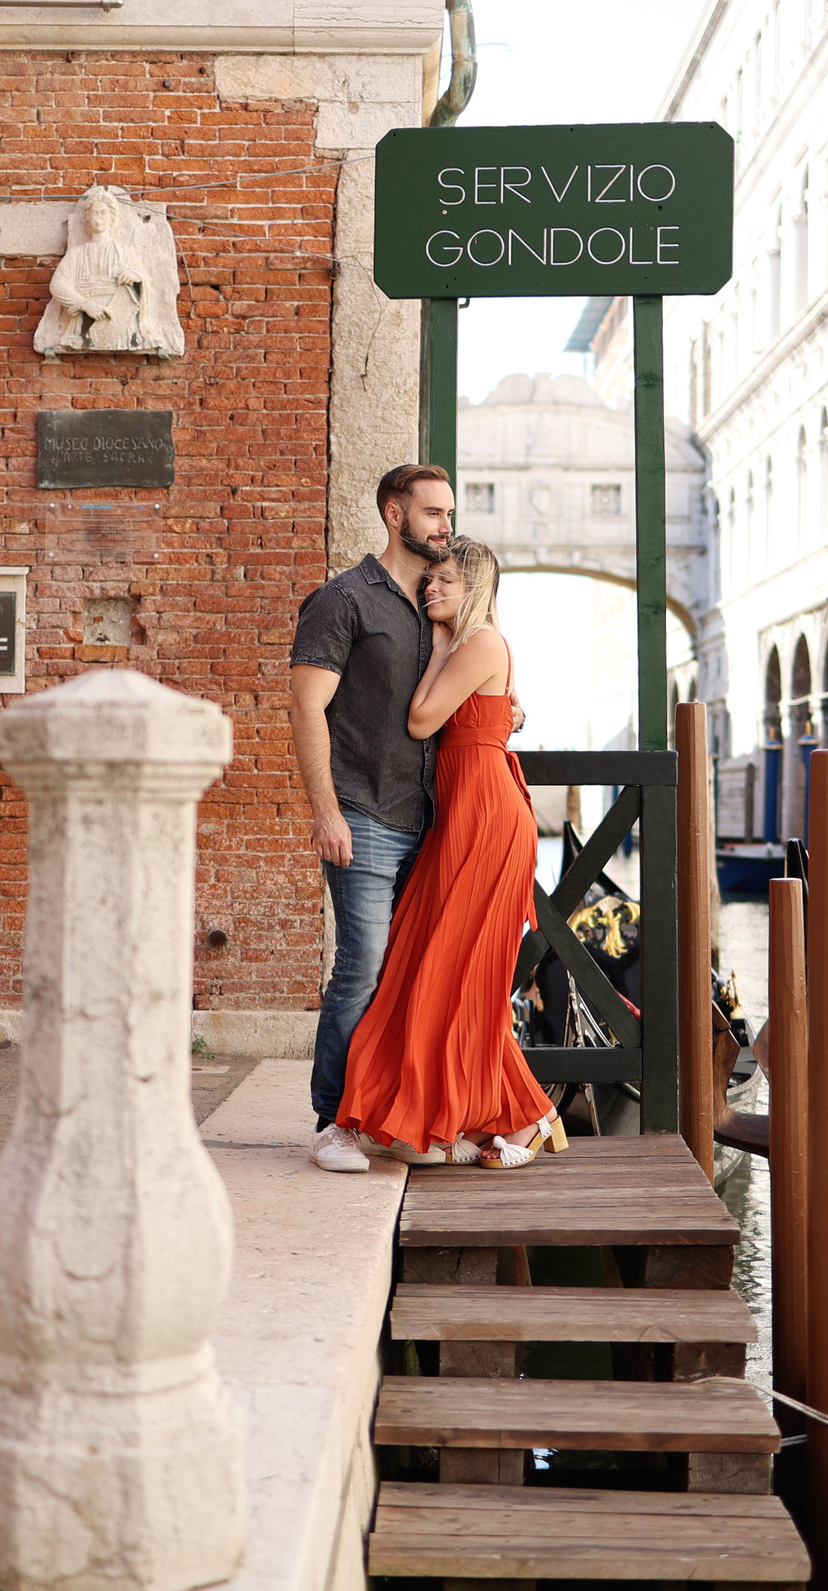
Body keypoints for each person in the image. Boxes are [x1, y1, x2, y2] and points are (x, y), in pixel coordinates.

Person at [336, 537, 564, 1171]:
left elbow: (420, 719)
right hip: (460, 821)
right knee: (434, 970)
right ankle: (484, 1115)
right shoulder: (472, 645)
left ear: (476, 591)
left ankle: (520, 1116)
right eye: (429, 579)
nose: (431, 588)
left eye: (445, 582)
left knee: (463, 977)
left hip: (487, 823)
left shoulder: (480, 643)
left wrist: (437, 651)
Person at [290, 464, 456, 1173]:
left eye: (448, 512)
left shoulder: (438, 601)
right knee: (361, 968)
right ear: (395, 514)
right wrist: (326, 812)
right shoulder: (341, 601)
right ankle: (333, 1121)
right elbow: (305, 708)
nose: (446, 524)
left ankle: (388, 1112)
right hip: (363, 815)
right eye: (432, 512)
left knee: (409, 974)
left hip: (430, 819)